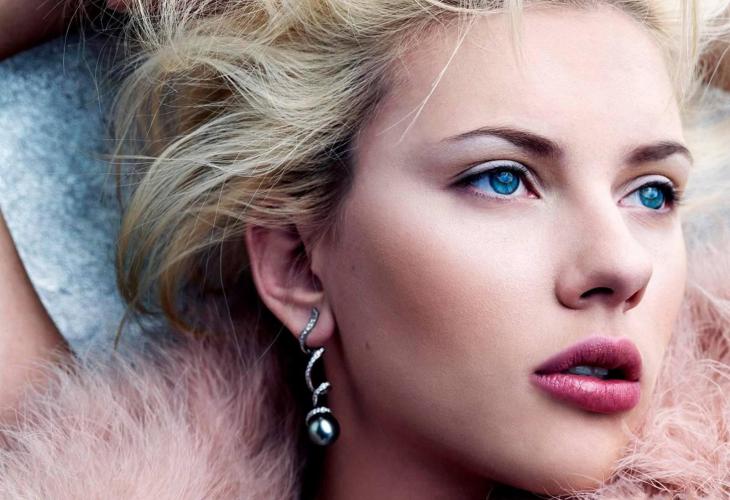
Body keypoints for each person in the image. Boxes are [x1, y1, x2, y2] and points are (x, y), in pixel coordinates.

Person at [0, 0, 729, 498]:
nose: (622, 266)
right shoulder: (79, 464)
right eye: (503, 178)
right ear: (296, 263)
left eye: (652, 193)